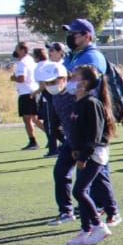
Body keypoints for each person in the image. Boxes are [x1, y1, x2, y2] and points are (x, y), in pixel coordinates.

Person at [62, 19, 119, 228]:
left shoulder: (92, 59)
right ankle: (90, 224)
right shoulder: (74, 55)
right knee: (83, 187)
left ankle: (100, 221)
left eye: (75, 34)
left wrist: (83, 155)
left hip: (91, 147)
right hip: (82, 140)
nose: (71, 38)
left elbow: (95, 136)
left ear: (87, 35)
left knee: (82, 187)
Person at [63, 65, 119, 245]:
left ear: (84, 83)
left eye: (74, 77)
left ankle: (98, 225)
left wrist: (83, 157)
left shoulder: (92, 103)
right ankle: (86, 228)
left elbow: (95, 135)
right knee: (82, 191)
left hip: (94, 154)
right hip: (83, 153)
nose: (70, 80)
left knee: (79, 191)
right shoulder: (79, 102)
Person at [37, 59, 77, 224]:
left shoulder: (75, 94)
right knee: (60, 173)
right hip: (71, 141)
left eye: (53, 81)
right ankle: (66, 212)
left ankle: (106, 210)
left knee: (89, 181)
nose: (50, 85)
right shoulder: (53, 96)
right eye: (47, 83)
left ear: (64, 79)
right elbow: (58, 124)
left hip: (85, 142)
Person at [11, 42, 39, 150]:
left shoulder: (22, 63)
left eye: (17, 49)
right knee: (35, 119)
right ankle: (53, 137)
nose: (15, 51)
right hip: (33, 91)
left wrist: (13, 78)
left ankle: (33, 142)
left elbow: (22, 79)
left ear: (23, 50)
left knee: (28, 119)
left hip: (26, 93)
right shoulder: (31, 60)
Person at [41, 43, 66, 157]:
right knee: (52, 126)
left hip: (62, 99)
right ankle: (64, 146)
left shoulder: (63, 65)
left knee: (57, 126)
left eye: (52, 50)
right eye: (49, 50)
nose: (49, 52)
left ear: (61, 52)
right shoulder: (50, 66)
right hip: (52, 98)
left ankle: (65, 146)